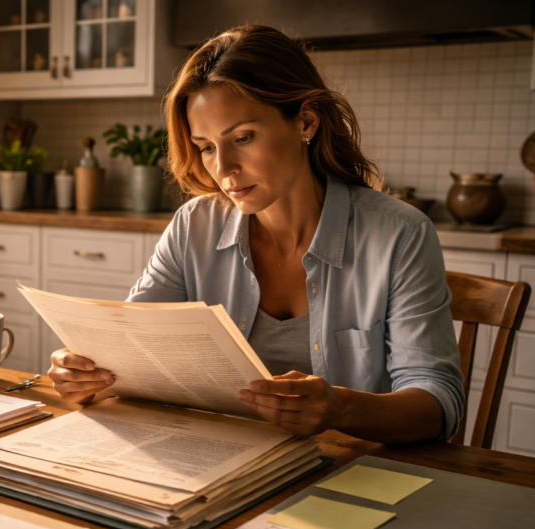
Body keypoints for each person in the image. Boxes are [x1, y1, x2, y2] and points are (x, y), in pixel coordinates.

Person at [47, 25, 464, 444]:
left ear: (306, 122)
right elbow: (129, 354)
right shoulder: (194, 226)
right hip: (212, 462)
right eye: (207, 147)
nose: (223, 167)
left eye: (242, 138)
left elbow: (437, 404)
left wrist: (341, 408)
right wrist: (84, 373)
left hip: (349, 473)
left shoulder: (400, 235)